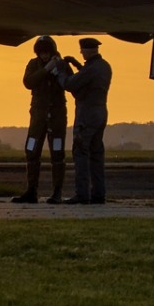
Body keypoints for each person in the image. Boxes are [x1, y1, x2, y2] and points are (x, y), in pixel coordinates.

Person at [57, 36, 113, 204]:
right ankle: (98, 193)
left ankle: (82, 194)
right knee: (96, 154)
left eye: (82, 50)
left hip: (86, 114)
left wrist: (61, 70)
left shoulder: (91, 69)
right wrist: (76, 65)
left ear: (87, 51)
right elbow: (86, 78)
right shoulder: (103, 66)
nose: (81, 52)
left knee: (80, 153)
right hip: (101, 112)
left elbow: (69, 84)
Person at [13, 36, 68, 204]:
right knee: (31, 150)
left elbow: (68, 84)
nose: (44, 56)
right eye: (41, 53)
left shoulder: (62, 64)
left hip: (57, 116)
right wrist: (46, 70)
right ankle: (31, 191)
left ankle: (57, 192)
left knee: (57, 153)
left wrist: (58, 70)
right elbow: (28, 82)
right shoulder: (33, 64)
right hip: (38, 116)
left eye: (46, 53)